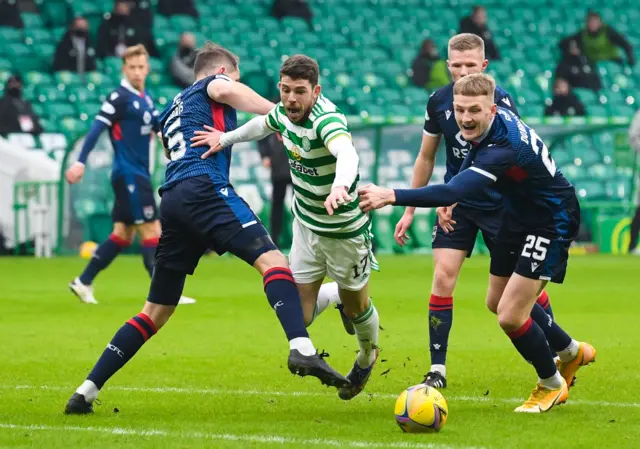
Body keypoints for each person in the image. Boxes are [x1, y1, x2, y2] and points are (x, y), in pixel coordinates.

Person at [64, 43, 350, 415]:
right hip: (205, 187)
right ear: (223, 70)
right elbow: (226, 90)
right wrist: (282, 115)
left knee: (155, 311)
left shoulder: (170, 109)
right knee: (273, 261)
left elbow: (175, 149)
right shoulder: (213, 84)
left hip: (175, 200)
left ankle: (85, 391)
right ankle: (303, 348)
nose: (235, 84)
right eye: (236, 76)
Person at [359, 73, 596, 413]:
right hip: (519, 214)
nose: (465, 118)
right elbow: (468, 164)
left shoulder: (503, 148)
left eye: (474, 110)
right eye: (459, 110)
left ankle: (551, 383)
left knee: (511, 316)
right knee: (496, 300)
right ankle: (571, 351)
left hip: (549, 219)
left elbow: (454, 188)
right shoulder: (490, 127)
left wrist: (390, 195)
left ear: (492, 110)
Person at [190, 54, 380, 400]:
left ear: (315, 91)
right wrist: (225, 138)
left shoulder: (327, 119)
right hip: (307, 227)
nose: (291, 98)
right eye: (285, 90)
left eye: (300, 91)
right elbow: (263, 124)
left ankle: (367, 357)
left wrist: (340, 185)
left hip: (343, 233)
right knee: (301, 316)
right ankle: (335, 296)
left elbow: (347, 154)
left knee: (358, 308)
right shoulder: (283, 110)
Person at [394, 33, 554, 389]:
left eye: (470, 65)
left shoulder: (500, 103)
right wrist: (410, 210)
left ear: (483, 66)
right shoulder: (437, 102)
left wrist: (454, 190)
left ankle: (554, 351)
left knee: (512, 294)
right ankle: (438, 369)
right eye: (456, 65)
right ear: (447, 66)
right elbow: (426, 156)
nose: (463, 71)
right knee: (442, 277)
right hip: (458, 205)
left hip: (500, 204)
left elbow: (502, 157)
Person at [65, 45, 195, 306]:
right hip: (129, 174)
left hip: (137, 174)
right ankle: (165, 294)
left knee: (122, 234)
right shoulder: (119, 97)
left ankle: (83, 281)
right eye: (132, 67)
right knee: (152, 230)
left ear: (147, 68)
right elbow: (96, 129)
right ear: (124, 69)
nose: (137, 72)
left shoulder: (144, 98)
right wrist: (80, 162)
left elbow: (158, 126)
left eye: (141, 67)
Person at [257, 131, 292, 248]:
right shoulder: (273, 115)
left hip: (297, 166)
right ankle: (274, 240)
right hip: (278, 165)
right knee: (277, 204)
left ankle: (302, 240)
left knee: (300, 204)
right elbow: (261, 133)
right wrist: (265, 155)